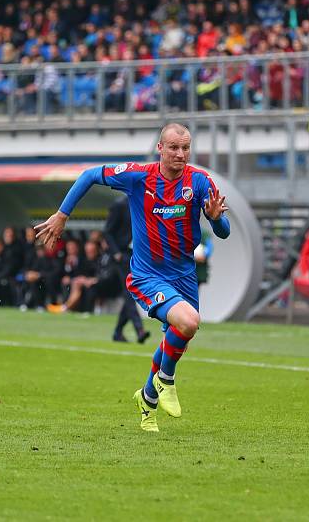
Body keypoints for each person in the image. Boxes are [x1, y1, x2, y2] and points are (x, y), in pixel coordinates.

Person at [35, 123, 230, 432]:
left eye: (186, 147)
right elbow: (89, 175)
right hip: (147, 273)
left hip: (184, 275)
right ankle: (165, 381)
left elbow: (224, 232)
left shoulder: (201, 182)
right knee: (189, 322)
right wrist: (62, 215)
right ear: (161, 149)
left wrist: (217, 220)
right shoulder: (139, 176)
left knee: (179, 335)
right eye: (174, 148)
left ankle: (148, 398)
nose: (181, 154)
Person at [104, 195, 150, 344]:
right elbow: (107, 231)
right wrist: (116, 253)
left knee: (132, 292)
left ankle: (118, 332)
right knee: (131, 292)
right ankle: (139, 330)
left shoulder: (144, 203)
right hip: (122, 255)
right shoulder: (119, 205)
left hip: (137, 255)